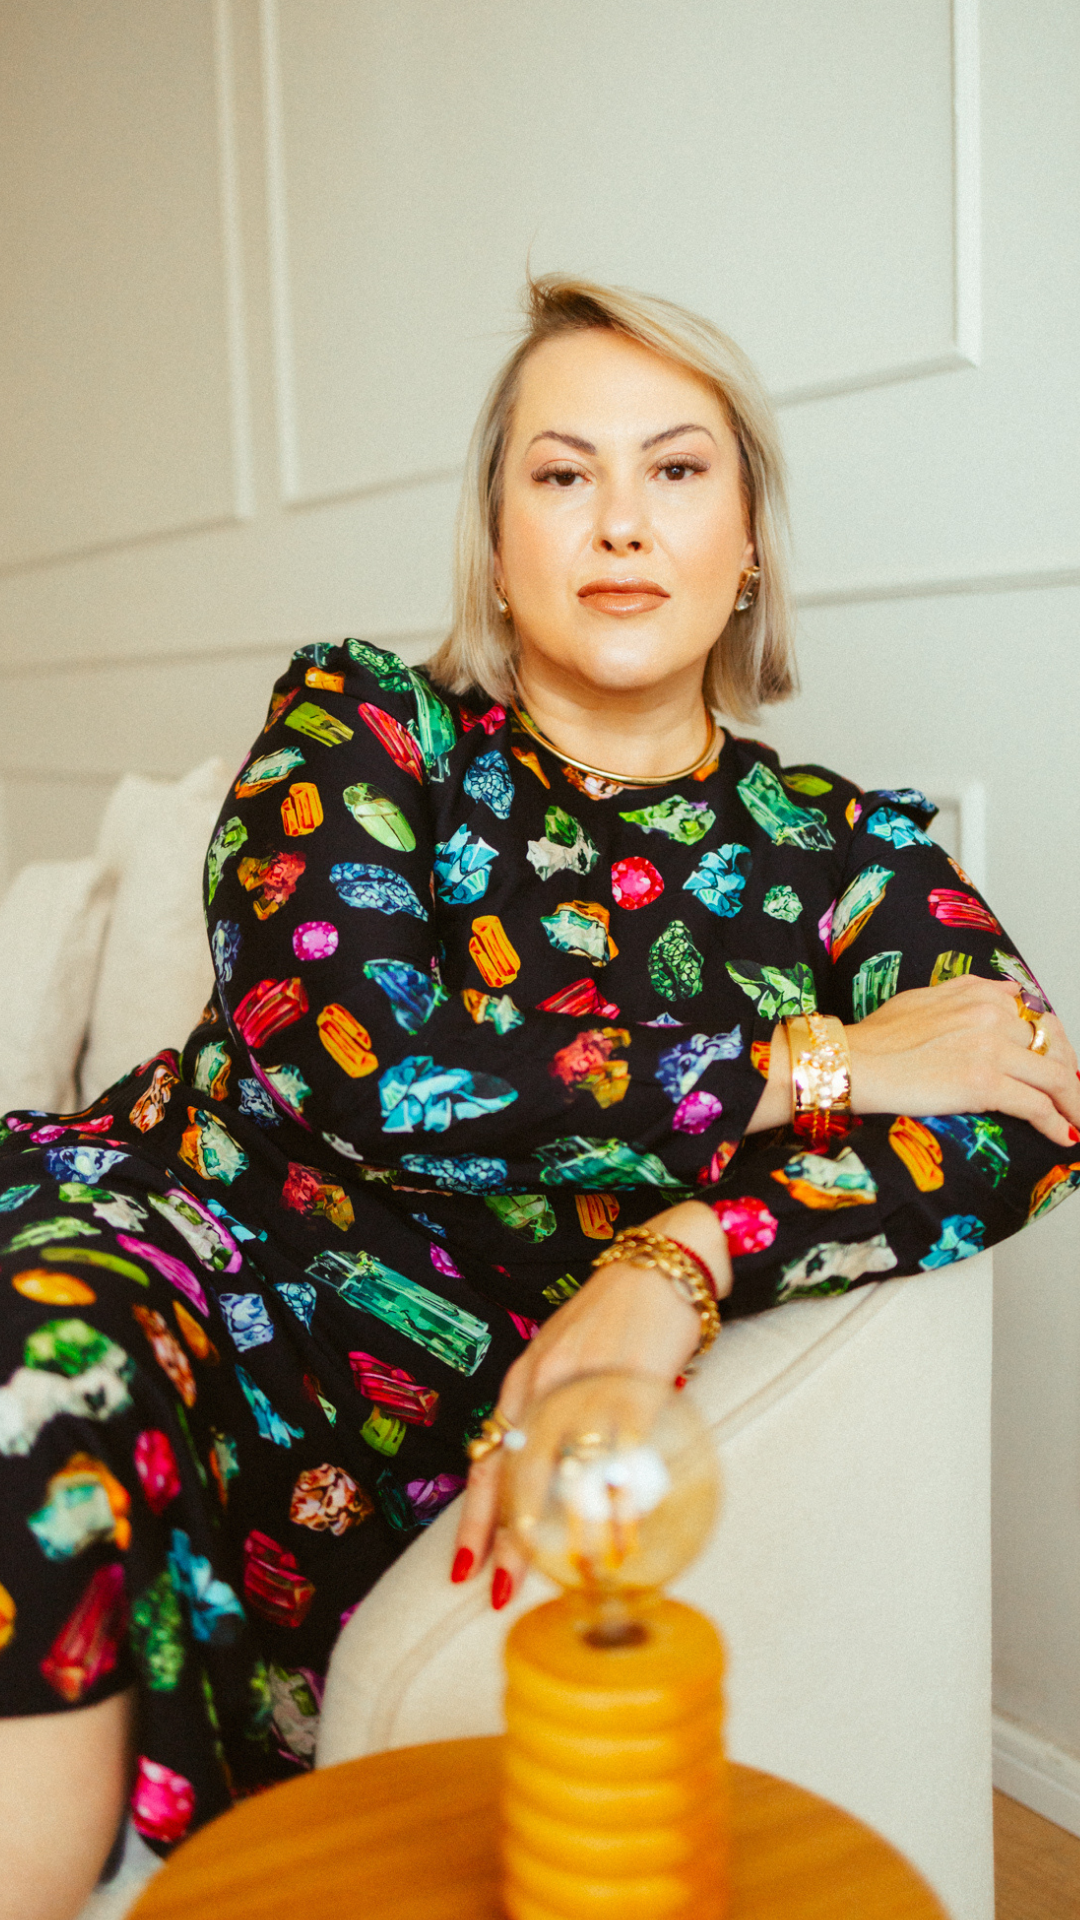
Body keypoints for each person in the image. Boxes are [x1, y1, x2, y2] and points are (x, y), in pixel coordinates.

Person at [1, 275, 1078, 1919]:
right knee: (38, 1365)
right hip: (156, 1236)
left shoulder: (846, 858)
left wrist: (681, 1259)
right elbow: (362, 1055)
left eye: (677, 470)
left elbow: (1025, 1107)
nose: (620, 521)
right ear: (498, 544)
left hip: (393, 1414)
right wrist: (822, 1064)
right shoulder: (367, 725)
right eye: (563, 474)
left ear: (750, 545)